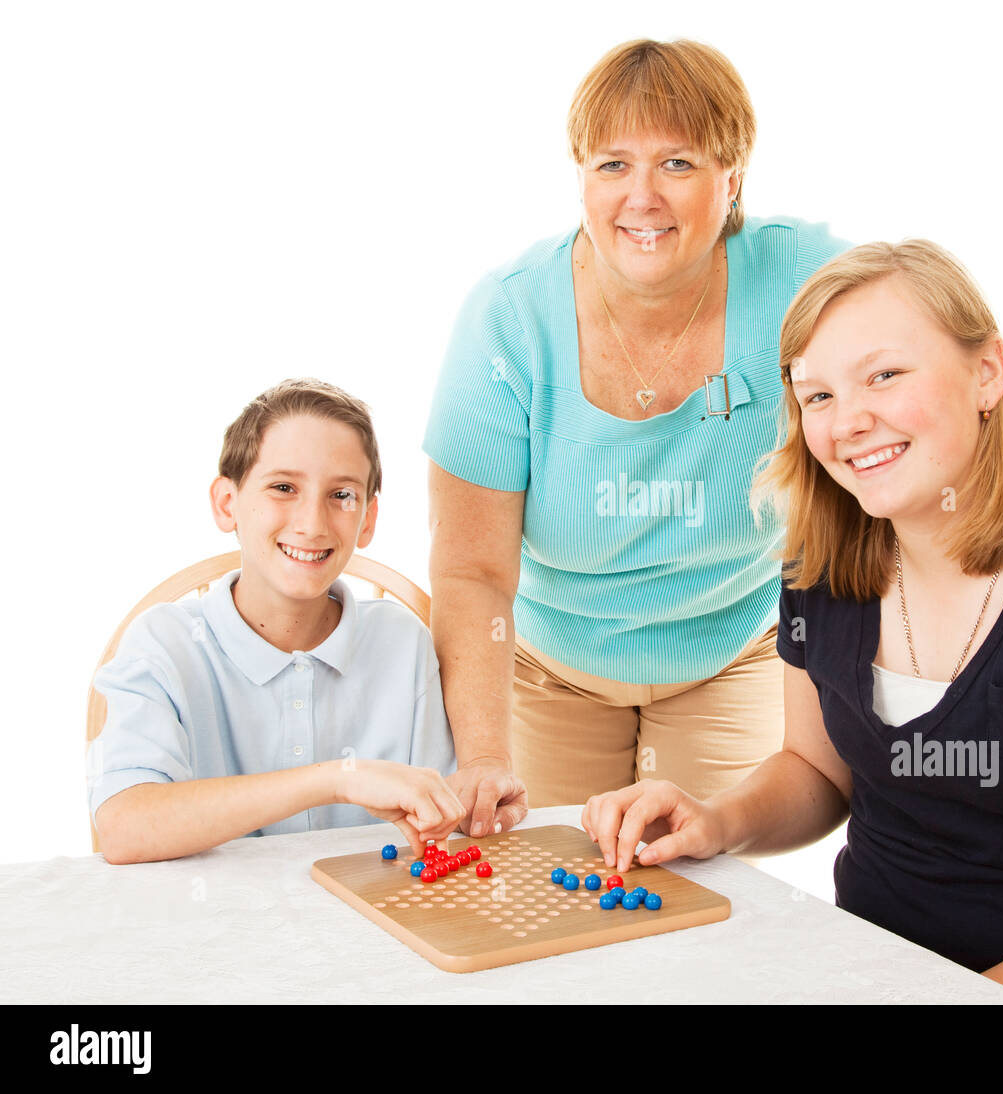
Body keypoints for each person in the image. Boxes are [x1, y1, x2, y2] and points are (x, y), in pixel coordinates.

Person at [581, 241, 1003, 1004]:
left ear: (987, 372)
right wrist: (717, 820)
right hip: (868, 976)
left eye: (884, 375)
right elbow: (818, 773)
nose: (848, 421)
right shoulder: (818, 568)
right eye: (815, 396)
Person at [425, 39, 851, 836]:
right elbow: (472, 571)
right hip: (552, 665)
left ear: (734, 178)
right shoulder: (508, 318)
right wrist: (483, 754)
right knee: (556, 902)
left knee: (692, 891)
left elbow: (925, 359)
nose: (642, 197)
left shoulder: (806, 281)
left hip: (730, 650)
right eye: (612, 165)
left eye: (679, 164)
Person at [90, 379, 464, 863]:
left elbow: (443, 823)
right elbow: (123, 828)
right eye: (283, 488)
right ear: (228, 504)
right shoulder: (163, 644)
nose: (312, 523)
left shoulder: (403, 644)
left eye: (342, 495)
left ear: (368, 519)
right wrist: (334, 779)